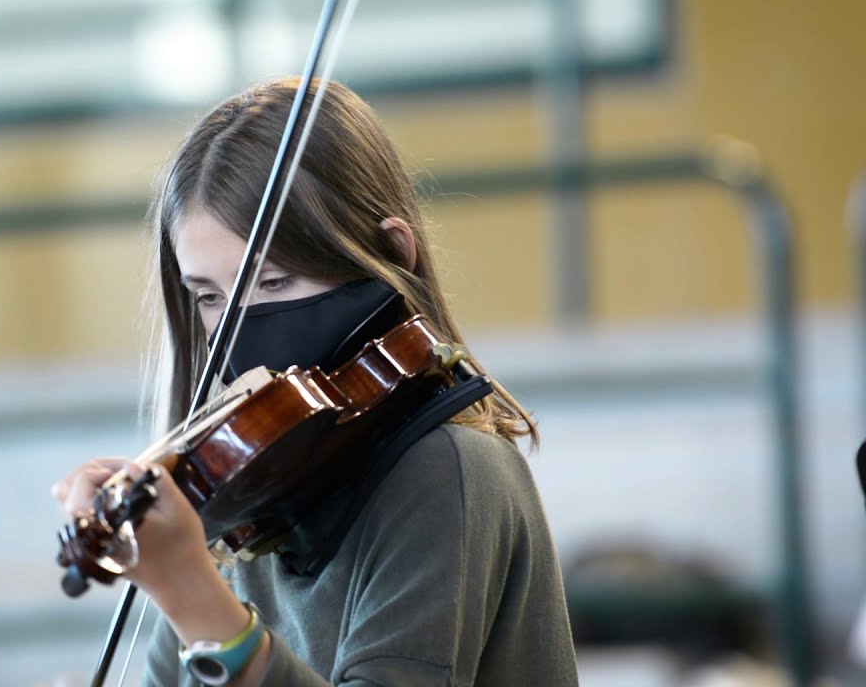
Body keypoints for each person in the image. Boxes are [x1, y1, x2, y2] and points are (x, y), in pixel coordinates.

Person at [53, 78, 578, 686]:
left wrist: (192, 593)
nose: (240, 327)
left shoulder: (449, 470)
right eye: (210, 296)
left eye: (274, 284)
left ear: (389, 254)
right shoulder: (246, 494)